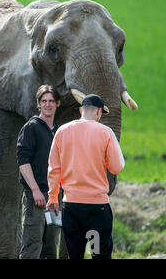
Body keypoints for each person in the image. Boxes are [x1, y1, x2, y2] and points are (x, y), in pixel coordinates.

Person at [46, 94, 125, 259]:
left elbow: (54, 169)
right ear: (98, 113)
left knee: (75, 255)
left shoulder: (62, 131)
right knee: (98, 254)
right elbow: (116, 167)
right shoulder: (105, 132)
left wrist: (53, 197)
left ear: (81, 110)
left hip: (71, 208)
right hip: (96, 209)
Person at [16, 85, 61, 259]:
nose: (48, 104)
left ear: (57, 103)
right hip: (36, 196)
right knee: (32, 245)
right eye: (44, 101)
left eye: (51, 101)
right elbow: (23, 161)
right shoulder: (31, 128)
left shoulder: (58, 131)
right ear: (38, 104)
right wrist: (35, 190)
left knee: (50, 247)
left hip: (54, 198)